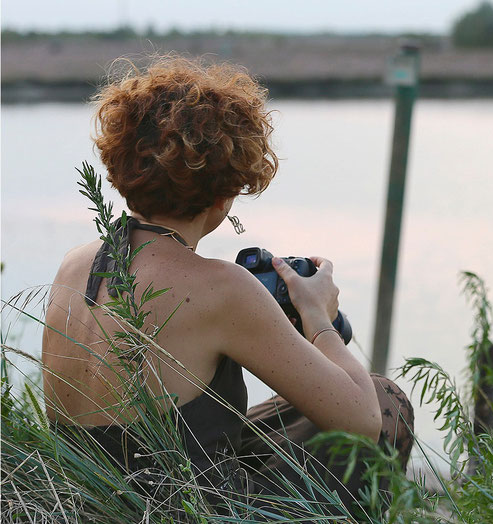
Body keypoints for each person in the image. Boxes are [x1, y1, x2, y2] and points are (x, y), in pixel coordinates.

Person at [41, 56, 413, 515]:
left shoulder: (74, 265)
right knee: (384, 399)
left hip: (90, 501)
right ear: (227, 191)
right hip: (184, 511)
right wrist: (318, 318)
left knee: (300, 410)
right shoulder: (220, 287)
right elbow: (362, 422)